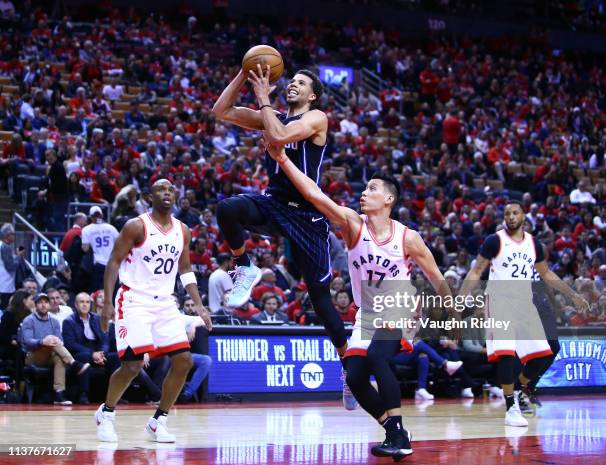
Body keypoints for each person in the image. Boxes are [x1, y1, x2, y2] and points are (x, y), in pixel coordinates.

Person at [266, 143, 456, 460]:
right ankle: (396, 432)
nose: (364, 193)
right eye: (364, 189)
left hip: (401, 306)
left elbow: (436, 277)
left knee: (379, 358)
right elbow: (315, 195)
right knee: (354, 376)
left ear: (389, 199)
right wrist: (283, 158)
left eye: (372, 189)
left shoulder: (408, 237)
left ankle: (398, 431)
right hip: (368, 312)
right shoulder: (354, 225)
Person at [212, 65, 355, 408]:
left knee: (320, 301)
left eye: (301, 83)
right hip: (275, 203)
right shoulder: (271, 115)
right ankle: (244, 266)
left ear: (313, 95)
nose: (293, 84)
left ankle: (350, 368)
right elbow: (220, 112)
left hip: (307, 213)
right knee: (227, 209)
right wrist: (243, 75)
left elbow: (278, 137)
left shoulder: (317, 118)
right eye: (292, 80)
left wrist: (262, 98)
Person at [95, 179, 212, 443]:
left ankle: (158, 421)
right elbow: (113, 262)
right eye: (161, 189)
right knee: (133, 365)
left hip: (165, 303)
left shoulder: (183, 230)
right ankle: (107, 413)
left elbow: (185, 269)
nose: (167, 193)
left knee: (184, 361)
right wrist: (107, 302)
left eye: (171, 189)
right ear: (150, 196)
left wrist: (200, 305)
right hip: (134, 299)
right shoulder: (136, 226)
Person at [459, 201, 589, 427]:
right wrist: (460, 300)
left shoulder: (534, 244)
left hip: (524, 304)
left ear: (524, 216)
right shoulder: (495, 241)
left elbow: (546, 274)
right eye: (507, 213)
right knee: (507, 355)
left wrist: (573, 294)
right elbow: (477, 270)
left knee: (545, 353)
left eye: (515, 212)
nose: (510, 216)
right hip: (499, 302)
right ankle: (511, 408)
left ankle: (519, 389)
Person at [20, 293, 90, 405]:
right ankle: (74, 363)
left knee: (59, 357)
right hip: (33, 355)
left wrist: (53, 341)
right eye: (40, 303)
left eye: (45, 302)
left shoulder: (55, 321)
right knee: (52, 342)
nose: (43, 305)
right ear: (36, 305)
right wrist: (42, 341)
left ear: (49, 305)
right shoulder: (29, 320)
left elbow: (61, 340)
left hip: (51, 354)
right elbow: (27, 342)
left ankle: (59, 393)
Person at [62, 292, 117, 404]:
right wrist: (92, 354)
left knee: (116, 357)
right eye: (81, 302)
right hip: (80, 353)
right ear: (76, 305)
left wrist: (102, 354)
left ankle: (114, 395)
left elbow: (105, 338)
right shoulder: (69, 321)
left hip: (98, 352)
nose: (84, 305)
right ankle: (84, 395)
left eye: (87, 302)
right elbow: (70, 344)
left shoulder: (97, 318)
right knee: (85, 357)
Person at [81, 206, 119, 292]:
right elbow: (119, 243)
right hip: (111, 263)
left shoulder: (86, 230)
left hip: (98, 264)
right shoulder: (111, 228)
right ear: (101, 215)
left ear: (90, 217)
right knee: (113, 291)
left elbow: (85, 248)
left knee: (98, 292)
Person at [0, 223, 25, 308]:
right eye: (13, 234)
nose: (15, 236)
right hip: (5, 286)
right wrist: (19, 255)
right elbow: (10, 267)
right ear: (7, 235)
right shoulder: (5, 247)